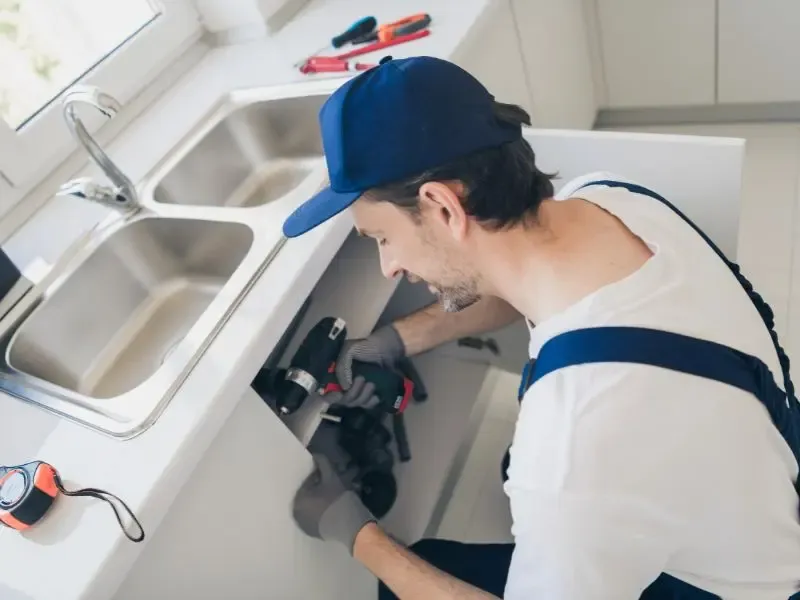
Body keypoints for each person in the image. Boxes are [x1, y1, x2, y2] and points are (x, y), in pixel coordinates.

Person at [285, 55, 800, 599]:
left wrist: (357, 533)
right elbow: (514, 290)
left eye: (380, 238)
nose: (389, 267)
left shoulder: (571, 453)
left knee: (409, 574)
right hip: (769, 486)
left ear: (441, 206)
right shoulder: (610, 198)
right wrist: (397, 339)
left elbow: (573, 463)